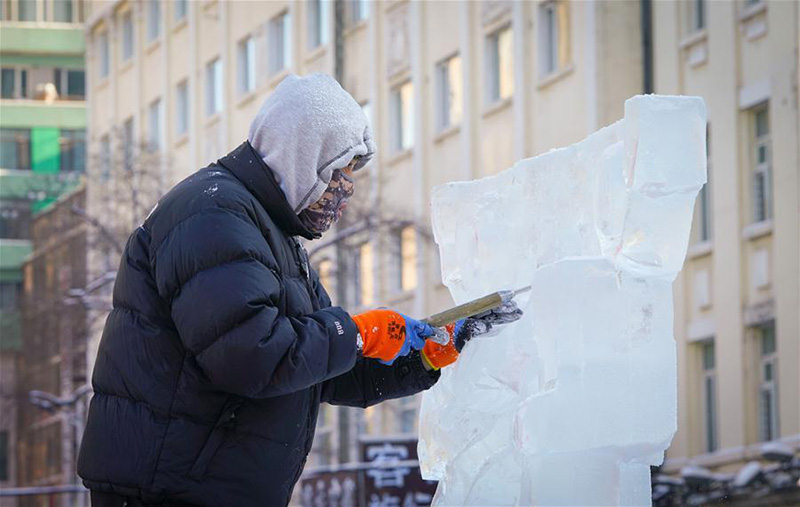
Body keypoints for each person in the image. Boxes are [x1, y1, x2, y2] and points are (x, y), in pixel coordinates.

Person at [77, 74, 521, 506]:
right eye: (337, 173)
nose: (344, 194)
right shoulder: (212, 214)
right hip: (167, 491)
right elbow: (250, 356)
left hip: (207, 487)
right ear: (301, 155)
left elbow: (320, 367)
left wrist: (421, 355)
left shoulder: (272, 236)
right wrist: (358, 333)